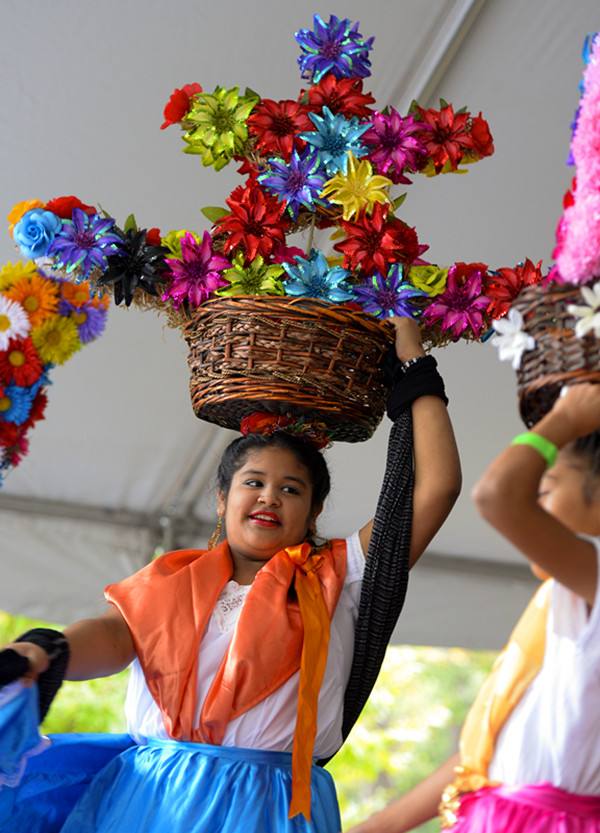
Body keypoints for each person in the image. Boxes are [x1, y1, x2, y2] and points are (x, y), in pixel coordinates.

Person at [0, 317, 460, 833]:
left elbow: (436, 488)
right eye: (254, 482)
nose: (269, 497)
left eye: (291, 489)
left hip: (268, 808)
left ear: (313, 512)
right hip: (150, 800)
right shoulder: (172, 577)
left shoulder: (342, 575)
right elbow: (115, 635)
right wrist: (46, 650)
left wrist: (416, 367)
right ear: (223, 498)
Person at [349, 382, 600, 833]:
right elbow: (480, 754)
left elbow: (496, 497)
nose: (535, 502)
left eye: (546, 489)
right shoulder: (559, 601)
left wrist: (565, 421)